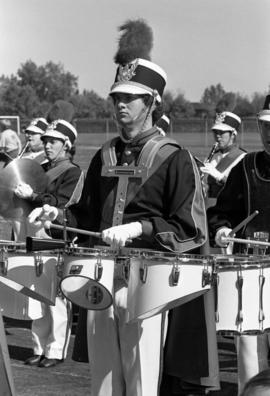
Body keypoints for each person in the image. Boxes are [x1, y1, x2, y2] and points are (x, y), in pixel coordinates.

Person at [27, 19, 208, 395]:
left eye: (130, 97)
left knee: (142, 379)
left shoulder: (176, 158)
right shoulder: (104, 154)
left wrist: (140, 228)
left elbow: (191, 229)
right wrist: (56, 217)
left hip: (149, 283)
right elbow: (84, 213)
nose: (119, 104)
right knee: (103, 382)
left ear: (153, 102)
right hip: (99, 277)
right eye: (116, 97)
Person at [207, 94, 270, 395]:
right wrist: (221, 229)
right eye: (264, 126)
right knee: (249, 349)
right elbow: (221, 212)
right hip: (250, 271)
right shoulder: (246, 167)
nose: (268, 133)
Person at [14, 119, 84, 368]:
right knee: (36, 294)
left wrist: (32, 195)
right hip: (33, 233)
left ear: (67, 144)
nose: (47, 145)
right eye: (45, 141)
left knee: (55, 297)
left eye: (52, 141)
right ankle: (38, 346)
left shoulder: (73, 172)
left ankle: (54, 350)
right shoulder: (40, 167)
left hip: (55, 237)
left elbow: (61, 202)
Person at [200, 111, 246, 209]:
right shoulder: (214, 155)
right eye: (215, 132)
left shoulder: (242, 157)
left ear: (233, 134)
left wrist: (219, 176)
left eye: (221, 132)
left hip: (229, 210)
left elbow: (241, 188)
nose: (217, 136)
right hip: (209, 207)